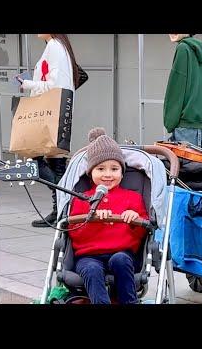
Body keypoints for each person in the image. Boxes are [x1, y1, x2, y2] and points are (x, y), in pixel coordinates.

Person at [67, 127, 148, 304]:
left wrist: (134, 219)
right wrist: (92, 217)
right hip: (88, 255)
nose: (108, 174)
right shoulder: (83, 199)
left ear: (122, 171)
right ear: (91, 172)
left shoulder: (132, 197)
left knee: (121, 260)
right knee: (91, 269)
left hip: (122, 252)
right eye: (101, 169)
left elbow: (144, 232)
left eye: (114, 169)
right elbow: (73, 231)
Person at [16, 34, 78, 227]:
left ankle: (62, 207)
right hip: (56, 112)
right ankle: (61, 210)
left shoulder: (54, 46)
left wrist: (27, 84)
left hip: (50, 112)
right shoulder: (59, 46)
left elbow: (54, 85)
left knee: (36, 159)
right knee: (56, 163)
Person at [164, 34, 202, 150]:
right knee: (201, 167)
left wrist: (170, 122)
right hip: (201, 125)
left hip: (186, 128)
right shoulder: (197, 51)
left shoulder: (183, 48)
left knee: (182, 167)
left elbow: (176, 88)